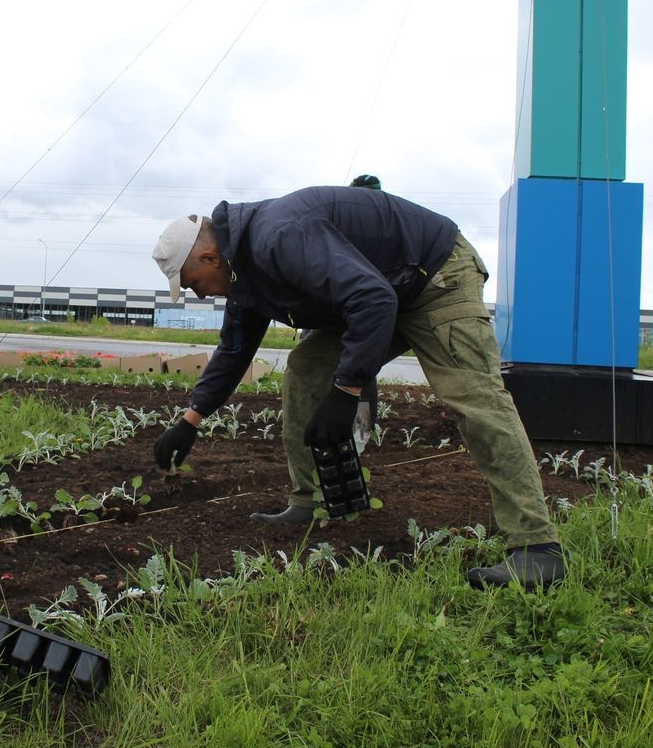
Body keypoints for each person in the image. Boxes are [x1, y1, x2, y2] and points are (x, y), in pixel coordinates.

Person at [150, 185, 565, 590]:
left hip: (435, 275)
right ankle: (308, 501)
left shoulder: (278, 237)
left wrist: (346, 392)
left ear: (209, 256)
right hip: (383, 290)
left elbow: (372, 299)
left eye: (191, 282)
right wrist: (192, 419)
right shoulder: (245, 273)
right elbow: (234, 350)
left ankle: (537, 548)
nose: (196, 292)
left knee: (474, 398)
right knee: (307, 367)